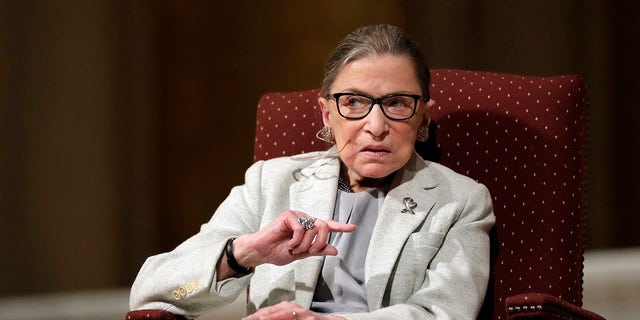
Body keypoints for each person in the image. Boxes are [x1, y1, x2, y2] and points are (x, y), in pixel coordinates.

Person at [129, 24, 495, 320]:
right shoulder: (269, 182)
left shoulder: (460, 200)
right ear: (326, 113)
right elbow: (152, 292)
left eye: (397, 103)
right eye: (353, 102)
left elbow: (445, 312)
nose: (376, 126)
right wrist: (245, 253)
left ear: (423, 115)